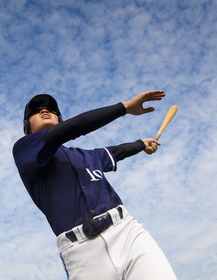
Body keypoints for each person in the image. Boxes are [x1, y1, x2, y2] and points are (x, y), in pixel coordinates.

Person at [12, 90, 177, 280]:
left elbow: (115, 152)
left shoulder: (87, 156)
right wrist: (125, 108)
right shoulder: (23, 150)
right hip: (81, 252)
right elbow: (75, 127)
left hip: (126, 233)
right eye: (37, 111)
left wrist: (141, 144)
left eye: (51, 109)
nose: (44, 111)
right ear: (29, 129)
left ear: (59, 119)